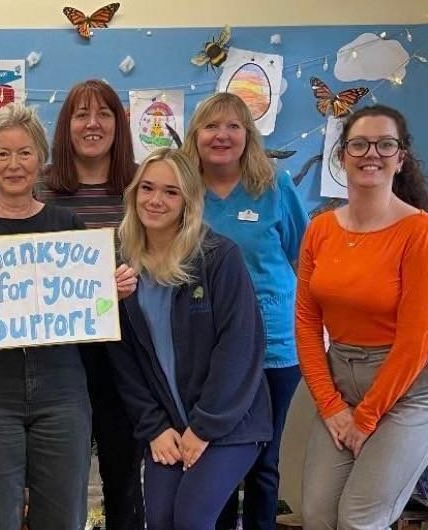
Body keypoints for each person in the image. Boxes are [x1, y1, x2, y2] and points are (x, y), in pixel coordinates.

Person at [0, 102, 136, 530]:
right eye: (2, 153)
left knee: (62, 514)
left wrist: (111, 294)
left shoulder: (69, 226)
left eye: (25, 153)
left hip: (61, 389)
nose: (13, 165)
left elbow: (93, 319)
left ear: (41, 159)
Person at [109, 147, 272, 530]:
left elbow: (240, 346)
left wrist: (204, 428)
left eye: (171, 192)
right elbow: (123, 360)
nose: (156, 200)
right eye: (147, 188)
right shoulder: (121, 263)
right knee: (160, 521)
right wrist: (154, 427)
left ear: (188, 201)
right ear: (133, 194)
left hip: (230, 421)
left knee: (191, 520)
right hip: (166, 423)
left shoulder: (218, 256)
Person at [179, 92, 309, 530]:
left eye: (233, 126)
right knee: (213, 457)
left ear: (247, 136)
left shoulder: (275, 186)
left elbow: (300, 257)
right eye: (211, 126)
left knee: (263, 461)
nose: (222, 135)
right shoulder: (182, 192)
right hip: (209, 347)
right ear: (195, 136)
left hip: (274, 345)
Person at [296, 105, 428, 529]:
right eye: (359, 143)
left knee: (358, 519)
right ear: (342, 155)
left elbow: (416, 340)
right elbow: (305, 323)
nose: (372, 153)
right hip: (340, 382)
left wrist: (366, 417)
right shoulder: (320, 229)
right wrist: (332, 406)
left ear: (400, 158)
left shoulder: (418, 231)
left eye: (385, 144)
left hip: (405, 389)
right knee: (316, 515)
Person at [38, 78, 143, 529]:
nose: (93, 124)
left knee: (123, 470)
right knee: (61, 472)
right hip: (61, 352)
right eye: (81, 114)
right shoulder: (41, 186)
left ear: (119, 124)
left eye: (104, 114)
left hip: (128, 346)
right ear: (67, 126)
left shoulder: (141, 184)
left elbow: (162, 255)